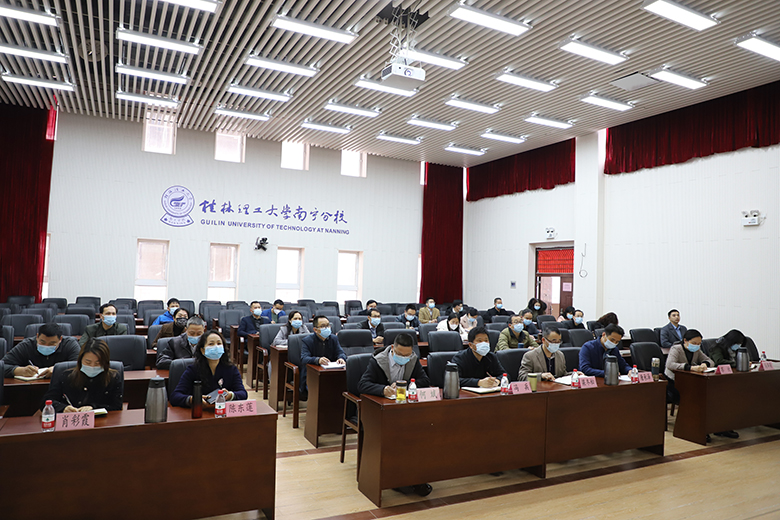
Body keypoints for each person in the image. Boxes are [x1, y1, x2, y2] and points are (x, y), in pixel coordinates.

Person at [357, 333, 433, 498]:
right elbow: (362, 385)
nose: (404, 358)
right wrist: (383, 390)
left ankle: (417, 477)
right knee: (398, 436)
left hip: (406, 411)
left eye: (407, 355)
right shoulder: (378, 361)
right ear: (392, 349)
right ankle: (398, 479)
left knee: (422, 433)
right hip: (382, 412)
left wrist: (405, 386)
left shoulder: (412, 359)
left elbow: (424, 381)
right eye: (400, 354)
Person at [666, 329, 737, 441]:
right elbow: (670, 364)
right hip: (674, 383)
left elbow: (711, 361)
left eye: (699, 343)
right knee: (699, 398)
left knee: (716, 396)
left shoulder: (697, 350)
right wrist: (690, 368)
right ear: (685, 340)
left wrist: (705, 364)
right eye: (694, 343)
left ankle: (720, 428)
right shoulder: (676, 349)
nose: (696, 346)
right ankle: (698, 430)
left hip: (691, 381)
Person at [42, 338, 123, 413]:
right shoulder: (67, 376)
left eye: (98, 363)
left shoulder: (113, 378)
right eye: (88, 362)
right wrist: (63, 408)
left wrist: (93, 407)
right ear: (80, 360)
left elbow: (117, 406)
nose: (92, 366)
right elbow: (46, 402)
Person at [170, 330, 247, 408]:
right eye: (211, 344)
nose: (216, 347)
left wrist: (230, 395)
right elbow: (175, 396)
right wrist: (193, 399)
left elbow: (243, 393)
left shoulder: (231, 369)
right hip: (199, 411)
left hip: (222, 411)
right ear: (202, 350)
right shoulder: (193, 369)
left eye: (219, 343)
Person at [3, 323, 80, 379]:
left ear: (60, 339)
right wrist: (17, 370)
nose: (46, 346)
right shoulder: (26, 345)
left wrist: (58, 370)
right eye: (42, 342)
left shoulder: (70, 344)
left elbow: (79, 366)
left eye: (52, 343)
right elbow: (2, 366)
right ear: (37, 337)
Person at [300, 315, 347, 399]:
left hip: (331, 372)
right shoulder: (307, 341)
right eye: (323, 326)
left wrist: (341, 358)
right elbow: (304, 358)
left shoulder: (334, 338)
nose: (326, 328)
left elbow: (341, 352)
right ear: (315, 329)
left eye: (328, 325)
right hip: (314, 374)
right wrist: (317, 360)